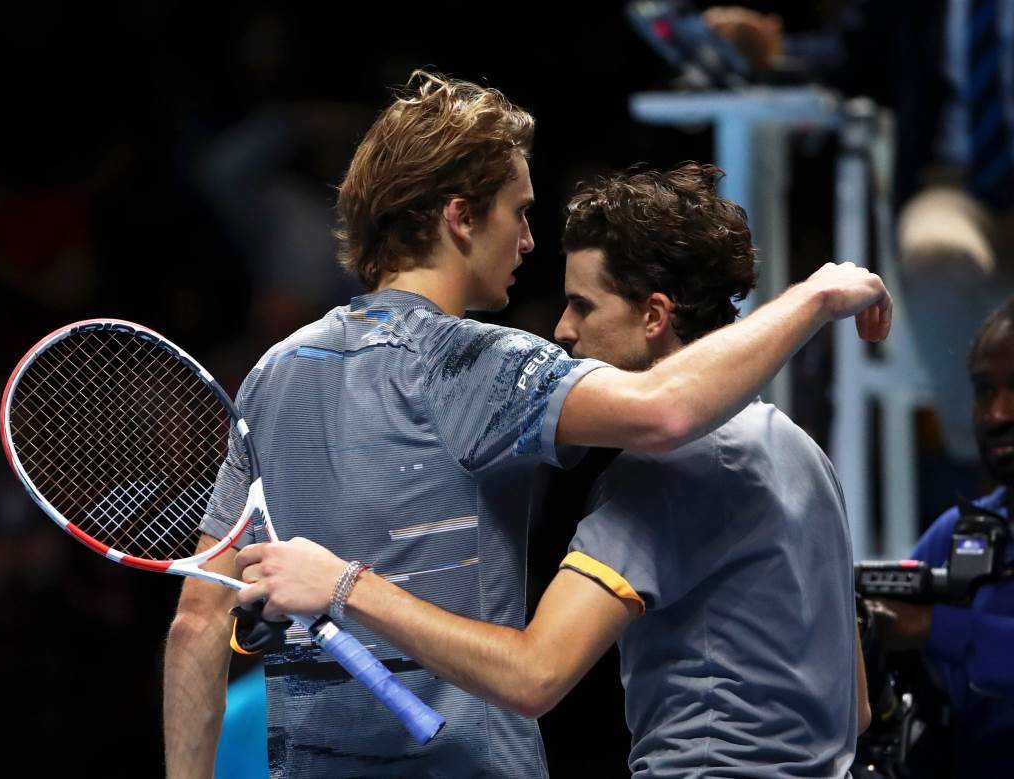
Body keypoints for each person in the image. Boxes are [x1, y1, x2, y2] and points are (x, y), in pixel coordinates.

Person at [164, 70, 890, 778]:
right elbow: (668, 410)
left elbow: (198, 621)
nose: (529, 241)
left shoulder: (271, 374)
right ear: (460, 216)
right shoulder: (485, 364)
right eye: (519, 210)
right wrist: (817, 294)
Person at [703, 1, 1014, 468]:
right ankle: (988, 461)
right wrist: (772, 52)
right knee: (934, 252)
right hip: (955, 182)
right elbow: (854, 57)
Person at [866, 298, 1014, 778]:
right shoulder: (962, 533)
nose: (998, 414)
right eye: (984, 391)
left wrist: (933, 629)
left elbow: (919, 624)